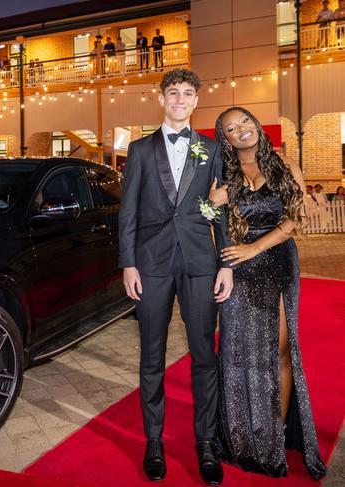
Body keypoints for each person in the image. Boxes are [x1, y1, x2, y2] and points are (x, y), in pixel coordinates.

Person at [118, 68, 232, 485]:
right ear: (161, 98)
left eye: (187, 93)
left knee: (204, 355)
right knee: (152, 356)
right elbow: (127, 210)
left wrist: (226, 264)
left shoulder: (212, 149)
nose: (180, 99)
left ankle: (206, 444)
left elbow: (220, 207)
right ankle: (153, 441)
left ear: (196, 100)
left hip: (201, 263)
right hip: (150, 264)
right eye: (173, 93)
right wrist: (128, 263)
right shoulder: (140, 149)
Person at [211, 107, 327, 480]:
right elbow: (206, 219)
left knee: (279, 349)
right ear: (225, 139)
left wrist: (254, 249)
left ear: (256, 125)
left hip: (276, 263)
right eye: (231, 128)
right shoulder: (223, 176)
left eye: (245, 122)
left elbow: (296, 218)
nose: (241, 129)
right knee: (237, 351)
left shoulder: (285, 163)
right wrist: (213, 206)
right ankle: (241, 435)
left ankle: (273, 434)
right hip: (236, 270)